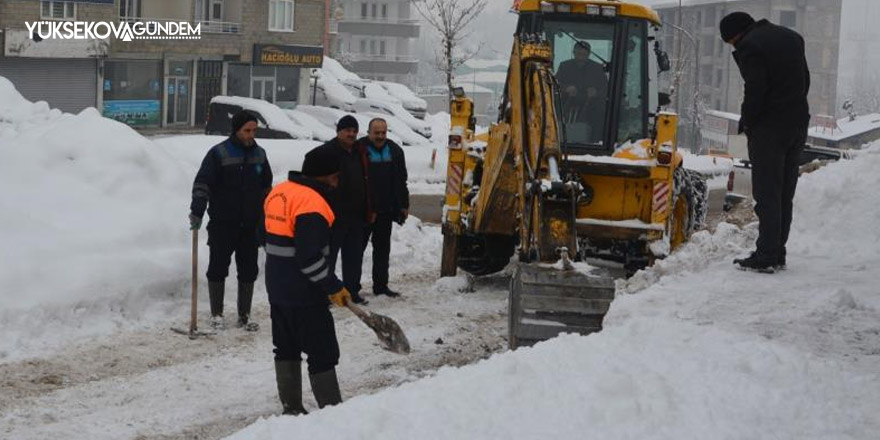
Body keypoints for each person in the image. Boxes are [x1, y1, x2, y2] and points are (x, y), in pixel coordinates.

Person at [264, 148, 352, 415]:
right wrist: (333, 286)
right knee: (322, 351)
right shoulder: (312, 204)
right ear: (325, 177)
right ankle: (332, 413)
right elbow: (309, 259)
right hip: (306, 294)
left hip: (278, 287)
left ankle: (291, 409)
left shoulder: (279, 191)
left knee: (286, 347)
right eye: (335, 177)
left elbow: (264, 236)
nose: (337, 183)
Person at [720, 12, 810, 273]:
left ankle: (767, 254)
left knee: (767, 192)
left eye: (730, 42)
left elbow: (755, 90)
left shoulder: (750, 46)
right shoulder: (792, 38)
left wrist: (747, 122)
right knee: (784, 192)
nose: (733, 47)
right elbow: (805, 80)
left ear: (736, 34)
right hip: (797, 122)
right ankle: (777, 251)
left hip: (770, 130)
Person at [190, 110, 273, 330]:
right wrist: (197, 209)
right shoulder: (219, 153)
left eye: (254, 130)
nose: (251, 135)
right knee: (218, 267)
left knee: (248, 269)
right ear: (236, 130)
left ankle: (244, 315)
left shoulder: (260, 155)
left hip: (250, 225)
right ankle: (217, 314)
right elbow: (203, 183)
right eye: (247, 130)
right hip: (223, 223)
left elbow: (267, 187)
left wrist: (265, 216)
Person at [309, 115, 371, 304]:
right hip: (332, 215)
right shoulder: (325, 152)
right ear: (339, 132)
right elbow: (309, 179)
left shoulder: (360, 152)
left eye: (354, 131)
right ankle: (326, 293)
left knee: (354, 256)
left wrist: (369, 207)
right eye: (347, 130)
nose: (351, 134)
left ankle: (352, 290)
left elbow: (367, 180)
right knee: (329, 256)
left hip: (356, 214)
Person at [360, 118, 409, 298]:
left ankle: (381, 286)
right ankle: (352, 288)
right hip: (364, 212)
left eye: (383, 133)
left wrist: (404, 205)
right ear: (369, 132)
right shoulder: (359, 150)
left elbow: (401, 181)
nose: (380, 136)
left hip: (386, 211)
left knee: (382, 251)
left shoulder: (395, 151)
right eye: (376, 133)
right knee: (357, 251)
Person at [555, 41, 608, 138]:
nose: (581, 57)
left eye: (584, 54)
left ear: (589, 54)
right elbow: (555, 84)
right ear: (573, 53)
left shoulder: (597, 69)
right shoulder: (564, 66)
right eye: (579, 53)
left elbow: (607, 90)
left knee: (602, 113)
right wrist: (566, 88)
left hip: (591, 108)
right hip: (566, 105)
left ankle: (597, 140)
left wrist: (595, 93)